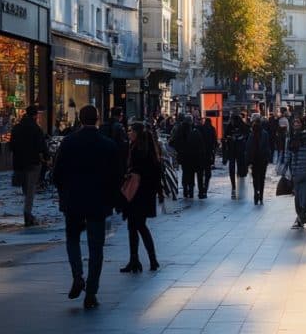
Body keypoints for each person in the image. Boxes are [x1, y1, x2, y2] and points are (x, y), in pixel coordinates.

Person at [53, 105, 119, 309]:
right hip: (98, 202)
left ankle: (77, 275)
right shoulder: (108, 145)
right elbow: (116, 176)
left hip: (73, 201)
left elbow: (57, 174)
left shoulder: (68, 142)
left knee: (72, 239)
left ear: (80, 120)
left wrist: (64, 192)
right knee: (96, 247)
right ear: (98, 119)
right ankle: (91, 291)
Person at [120, 121, 163, 273]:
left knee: (137, 226)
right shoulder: (150, 150)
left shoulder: (137, 150)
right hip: (145, 194)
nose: (129, 133)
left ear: (137, 133)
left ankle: (141, 259)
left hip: (136, 193)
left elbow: (136, 171)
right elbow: (157, 173)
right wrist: (159, 192)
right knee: (137, 226)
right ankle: (141, 259)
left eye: (131, 131)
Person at [10, 104, 48, 227]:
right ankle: (28, 213)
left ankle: (28, 211)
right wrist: (46, 158)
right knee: (31, 188)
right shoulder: (36, 129)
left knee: (26, 188)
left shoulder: (16, 128)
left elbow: (11, 146)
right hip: (32, 162)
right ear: (35, 115)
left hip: (19, 162)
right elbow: (42, 146)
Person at [171, 115, 203, 199]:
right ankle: (191, 190)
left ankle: (185, 189)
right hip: (192, 155)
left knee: (185, 172)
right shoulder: (193, 131)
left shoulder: (179, 130)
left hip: (183, 155)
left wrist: (179, 150)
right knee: (191, 172)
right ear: (191, 121)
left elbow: (173, 142)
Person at [246, 115, 272, 205]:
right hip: (262, 159)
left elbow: (248, 148)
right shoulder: (264, 133)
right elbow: (268, 147)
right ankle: (260, 195)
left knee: (255, 178)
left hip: (254, 160)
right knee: (261, 178)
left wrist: (248, 161)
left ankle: (256, 193)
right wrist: (268, 158)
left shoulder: (251, 134)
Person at [224, 113, 249, 199]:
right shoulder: (230, 126)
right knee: (233, 168)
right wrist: (230, 138)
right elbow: (225, 137)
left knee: (237, 167)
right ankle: (234, 185)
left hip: (238, 150)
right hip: (234, 150)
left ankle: (236, 185)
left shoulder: (241, 125)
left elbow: (247, 134)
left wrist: (240, 138)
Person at [198, 116, 218, 199]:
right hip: (209, 154)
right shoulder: (212, 129)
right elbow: (215, 142)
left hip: (200, 154)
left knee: (200, 173)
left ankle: (200, 190)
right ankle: (205, 190)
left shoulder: (200, 128)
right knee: (207, 173)